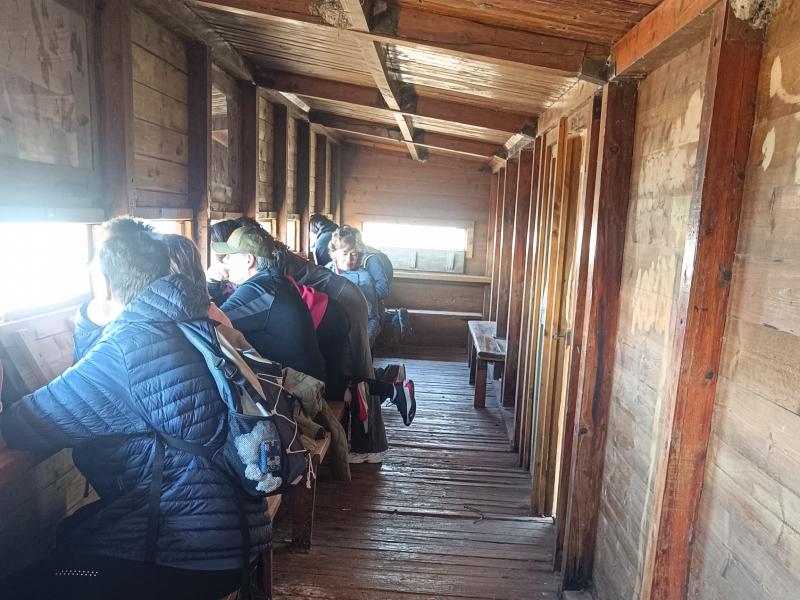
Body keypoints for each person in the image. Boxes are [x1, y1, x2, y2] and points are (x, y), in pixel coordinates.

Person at [0, 218, 268, 600]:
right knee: (73, 533)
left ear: (105, 284)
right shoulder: (188, 318)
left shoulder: (127, 348)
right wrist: (92, 322)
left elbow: (24, 424)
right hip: (236, 533)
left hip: (189, 555)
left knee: (20, 588)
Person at [214, 225, 326, 382]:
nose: (225, 260)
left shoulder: (259, 289)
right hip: (305, 380)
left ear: (249, 260)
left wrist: (211, 282)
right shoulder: (273, 280)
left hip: (296, 389)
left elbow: (212, 324)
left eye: (230, 256)